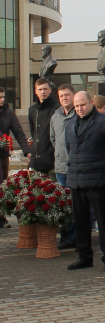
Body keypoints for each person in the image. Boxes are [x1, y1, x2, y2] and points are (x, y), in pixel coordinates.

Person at [64, 91, 105, 272]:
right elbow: (69, 148)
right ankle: (84, 256)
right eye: (76, 105)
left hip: (97, 180)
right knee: (80, 220)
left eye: (82, 105)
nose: (79, 109)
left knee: (103, 220)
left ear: (91, 103)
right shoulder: (70, 123)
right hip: (76, 180)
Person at [50, 84, 77, 249]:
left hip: (75, 168)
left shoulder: (78, 115)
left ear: (73, 96)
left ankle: (74, 237)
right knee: (63, 204)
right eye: (61, 96)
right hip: (60, 168)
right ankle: (65, 235)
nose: (64, 98)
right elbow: (53, 139)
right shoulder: (55, 117)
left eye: (67, 95)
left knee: (75, 205)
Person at [0, 86, 31, 228]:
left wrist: (27, 150)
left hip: (3, 155)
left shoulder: (9, 113)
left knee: (2, 184)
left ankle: (1, 217)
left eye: (3, 97)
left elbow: (18, 132)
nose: (2, 100)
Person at [28, 77, 59, 180]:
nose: (43, 92)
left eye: (45, 89)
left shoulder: (57, 107)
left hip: (52, 160)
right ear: (35, 91)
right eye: (40, 89)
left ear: (50, 90)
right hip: (37, 160)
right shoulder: (32, 110)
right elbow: (34, 133)